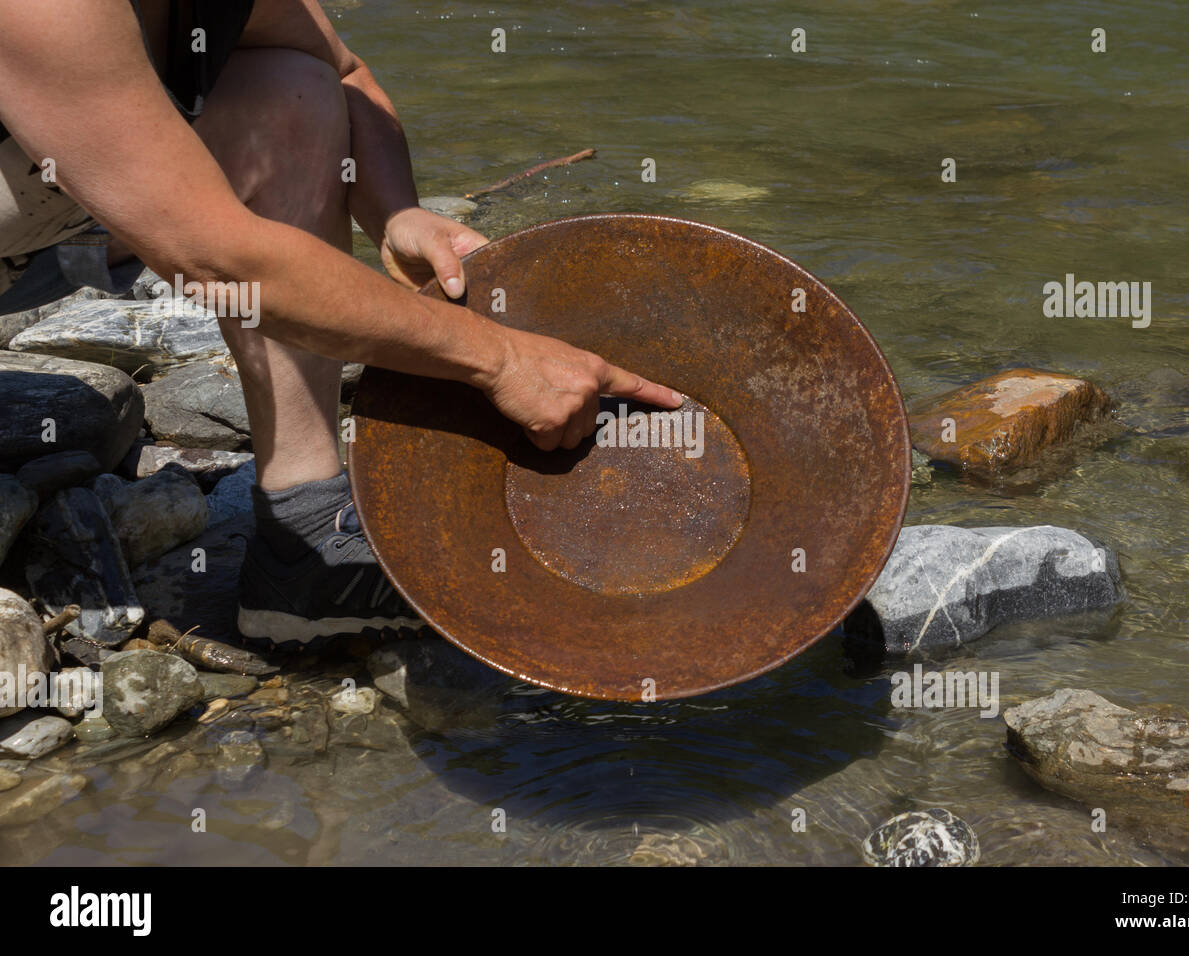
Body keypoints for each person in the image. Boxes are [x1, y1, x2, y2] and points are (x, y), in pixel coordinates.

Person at [0, 0, 680, 649]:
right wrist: (500, 359)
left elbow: (347, 73)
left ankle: (306, 532)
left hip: (57, 225)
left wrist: (394, 211)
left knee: (292, 86)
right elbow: (223, 262)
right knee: (225, 240)